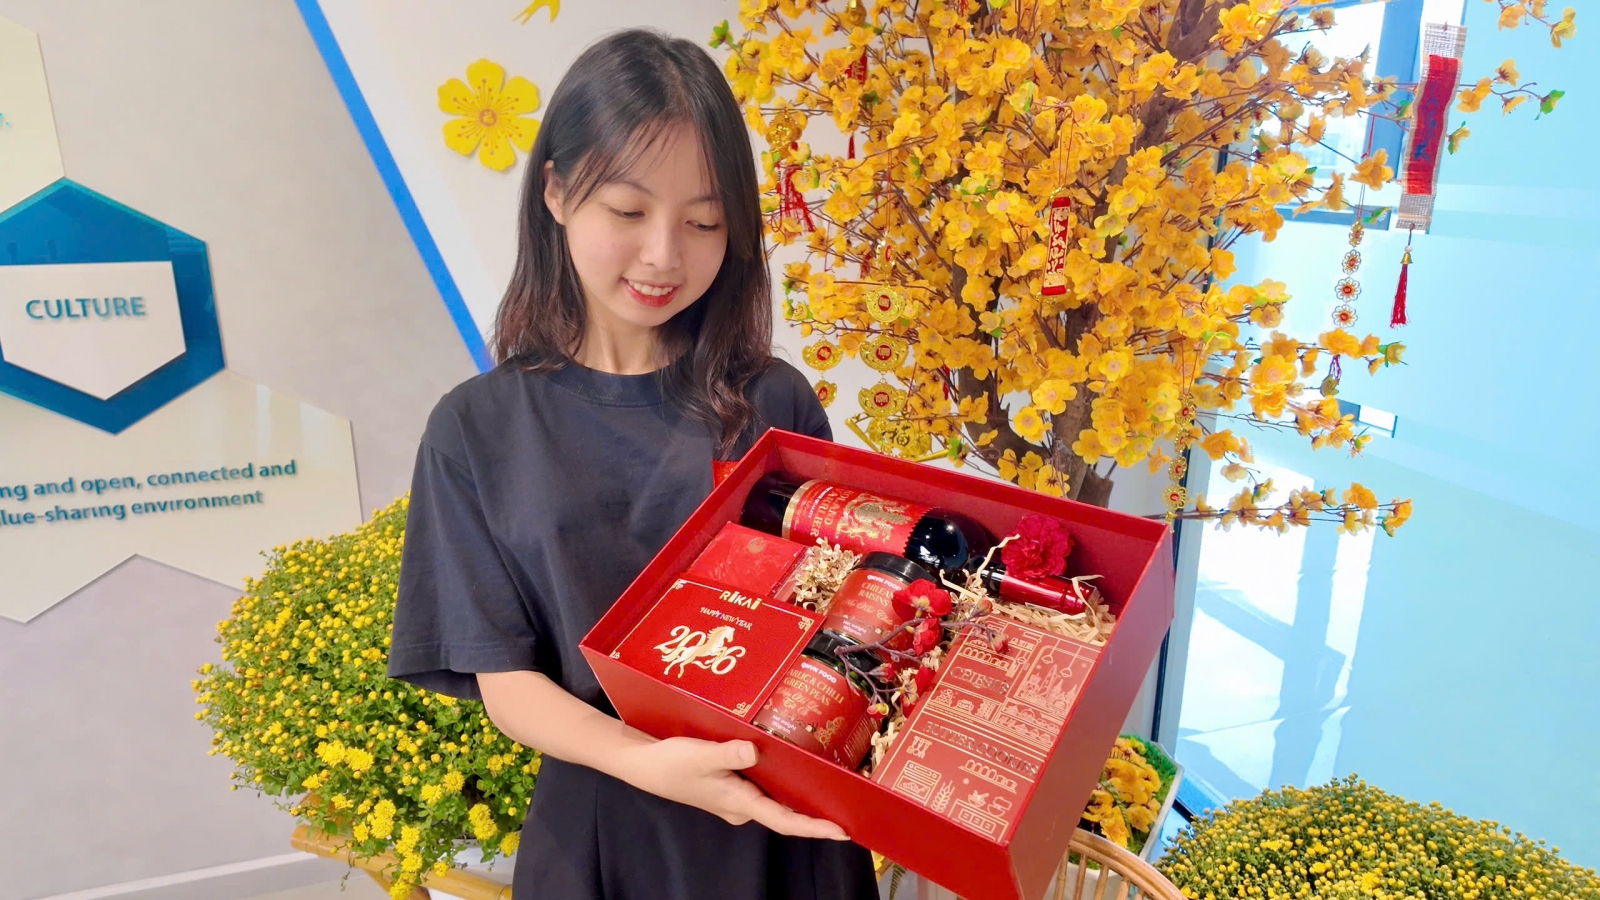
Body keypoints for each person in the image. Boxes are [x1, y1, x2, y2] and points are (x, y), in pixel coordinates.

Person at [386, 28, 879, 900]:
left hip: (786, 823)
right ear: (557, 191)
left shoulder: (775, 403)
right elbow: (507, 679)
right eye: (626, 211)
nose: (664, 255)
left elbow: (839, 617)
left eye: (703, 222)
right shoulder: (476, 428)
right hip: (604, 821)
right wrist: (643, 761)